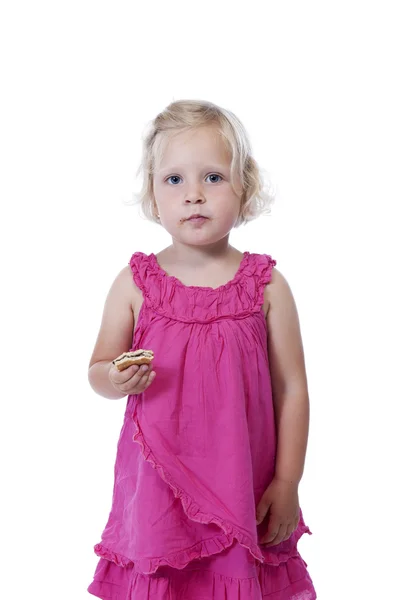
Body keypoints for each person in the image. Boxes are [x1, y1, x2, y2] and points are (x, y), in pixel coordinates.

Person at [87, 99, 317, 599]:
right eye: (174, 180)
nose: (194, 195)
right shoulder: (135, 284)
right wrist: (113, 378)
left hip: (242, 483)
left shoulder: (266, 285)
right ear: (153, 194)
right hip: (157, 491)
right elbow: (99, 369)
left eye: (213, 177)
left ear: (245, 186)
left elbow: (292, 388)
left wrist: (287, 482)